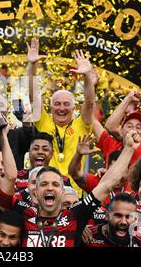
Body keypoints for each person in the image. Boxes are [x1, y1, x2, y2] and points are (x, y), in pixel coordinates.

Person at [0, 130, 141, 247]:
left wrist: (128, 149)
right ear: (35, 192)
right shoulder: (24, 211)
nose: (50, 188)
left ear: (63, 191)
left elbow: (107, 184)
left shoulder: (76, 216)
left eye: (55, 184)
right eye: (43, 184)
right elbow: (5, 181)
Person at [27, 38, 95, 196]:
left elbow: (90, 102)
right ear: (51, 108)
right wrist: (31, 65)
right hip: (46, 190)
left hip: (72, 194)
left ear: (73, 108)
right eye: (57, 104)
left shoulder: (81, 124)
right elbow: (32, 95)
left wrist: (87, 77)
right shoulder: (44, 121)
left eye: (66, 104)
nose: (61, 108)